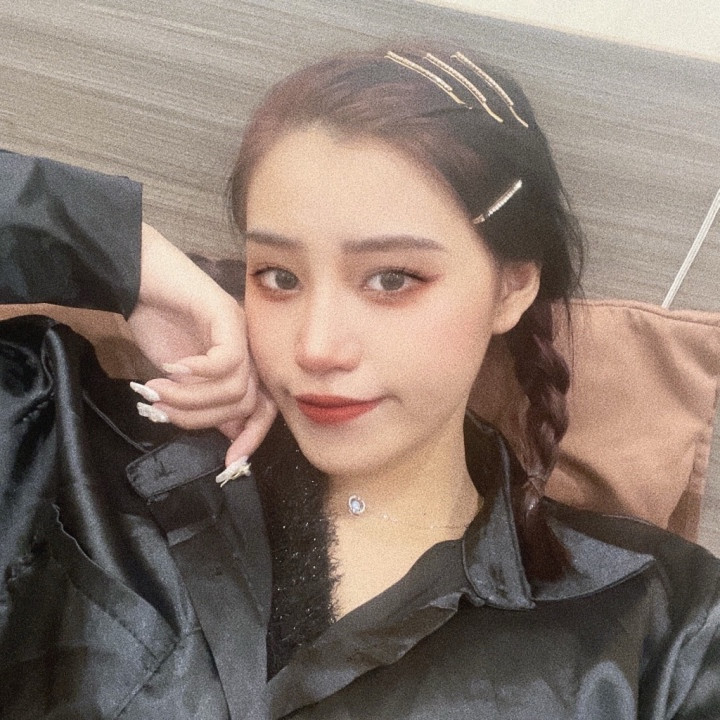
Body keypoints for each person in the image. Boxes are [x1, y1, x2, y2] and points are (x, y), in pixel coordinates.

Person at [1, 47, 719, 719]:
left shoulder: (665, 626)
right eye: (278, 277)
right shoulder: (57, 435)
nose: (315, 348)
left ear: (511, 286)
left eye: (391, 280)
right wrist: (127, 253)